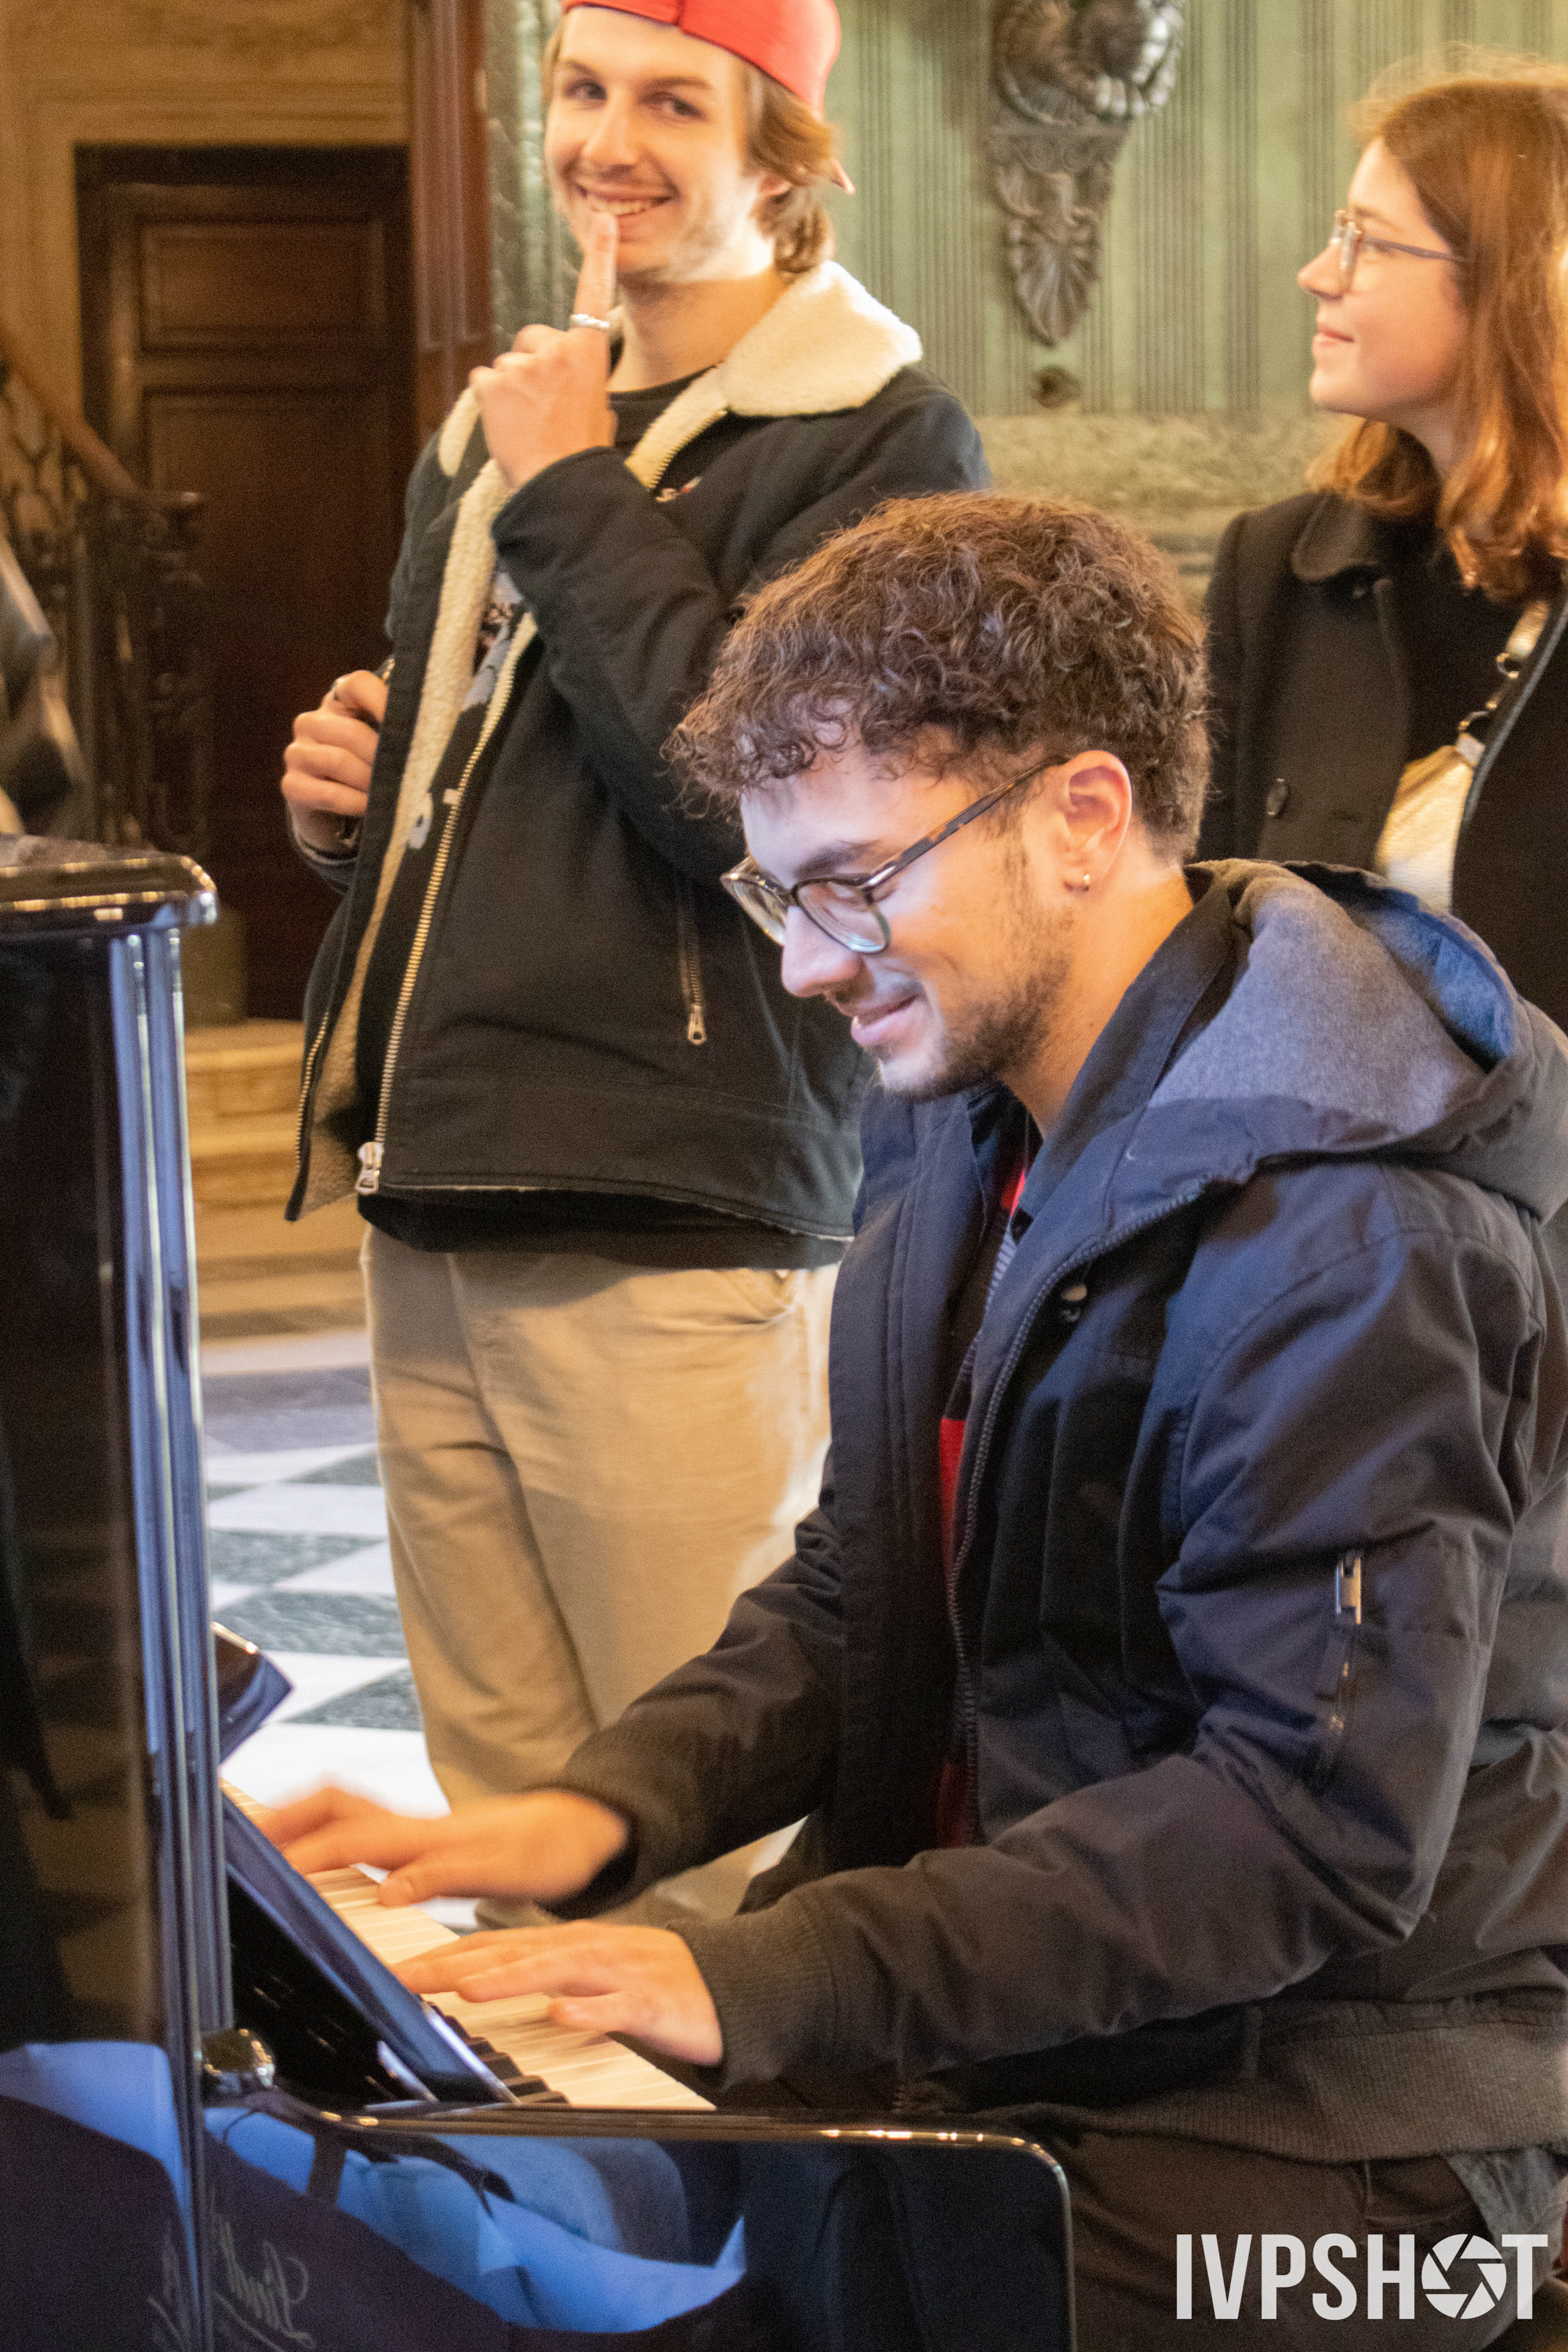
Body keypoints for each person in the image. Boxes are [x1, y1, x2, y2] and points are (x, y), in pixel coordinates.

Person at [269, 494, 1568, 2347]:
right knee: (459, 2211)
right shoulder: (964, 1113)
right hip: (1049, 2035)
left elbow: (1307, 1826)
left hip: (1356, 2139)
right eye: (779, 893)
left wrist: (776, 1973)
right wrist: (595, 1806)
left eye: (854, 881)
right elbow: (869, 1580)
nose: (806, 963)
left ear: (1082, 815)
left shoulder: (1351, 1223)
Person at [277, 0, 987, 1922]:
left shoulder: (880, 433)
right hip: (439, 1166)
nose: (607, 140)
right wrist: (355, 805)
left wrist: (571, 487)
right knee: (505, 1819)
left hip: (672, 1189)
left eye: (674, 102)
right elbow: (497, 772)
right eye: (581, 91)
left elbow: (750, 800)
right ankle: (562, 2134)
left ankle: (765, 2136)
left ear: (783, 162)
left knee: (697, 1821)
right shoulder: (502, 422)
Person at [1199, 64, 1568, 1042]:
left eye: (1366, 241)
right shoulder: (1276, 569)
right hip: (1317, 1139)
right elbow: (1194, 941)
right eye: (1337, 231)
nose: (1318, 273)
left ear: (1513, 285)